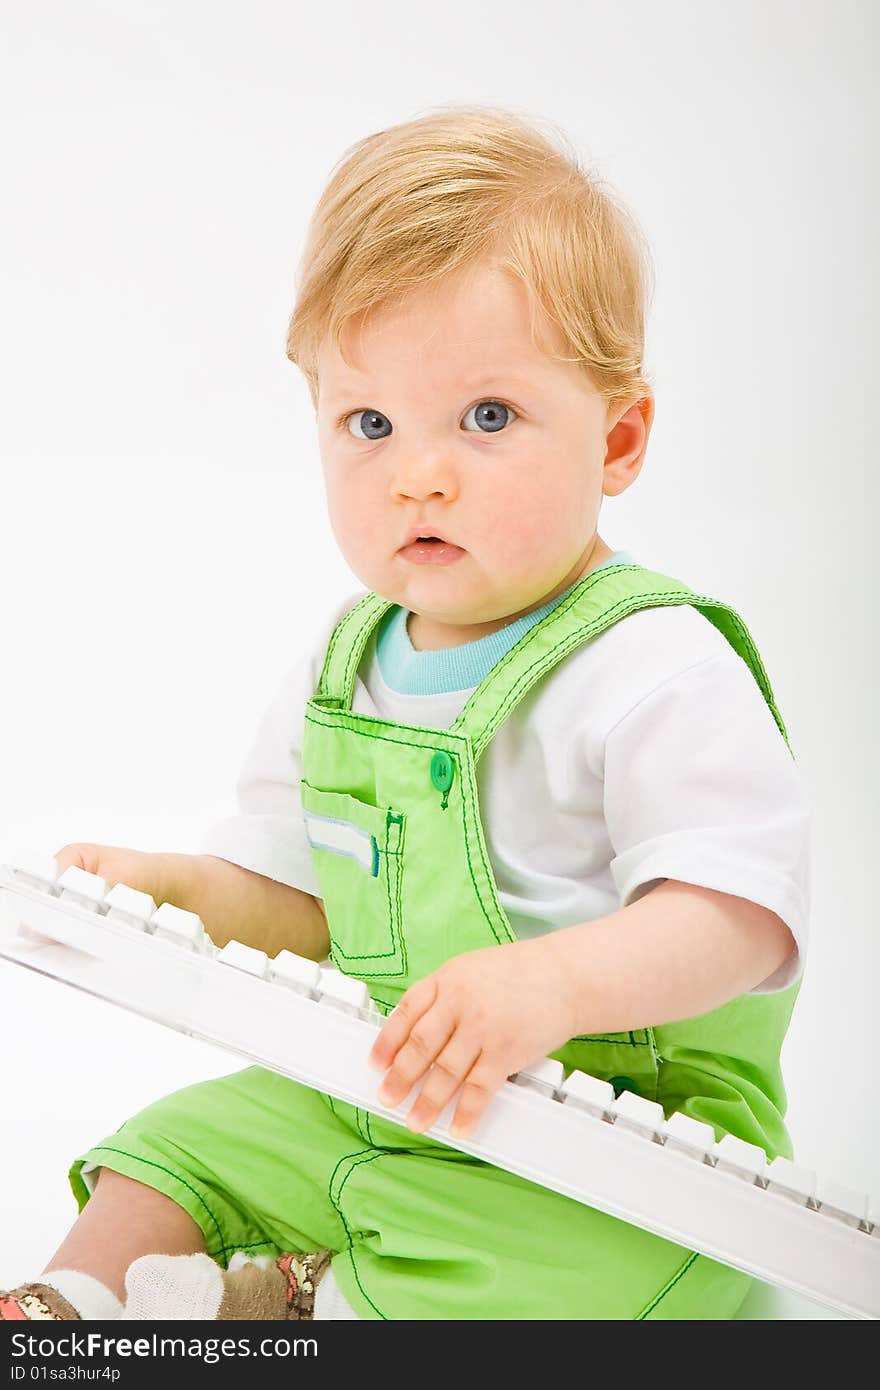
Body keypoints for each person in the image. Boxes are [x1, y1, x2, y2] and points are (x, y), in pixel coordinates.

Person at [1, 105, 810, 1321]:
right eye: (367, 423)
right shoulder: (345, 663)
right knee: (174, 1144)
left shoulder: (654, 667)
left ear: (620, 436)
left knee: (561, 1276)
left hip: (613, 1145)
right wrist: (182, 894)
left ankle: (303, 1301)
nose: (416, 473)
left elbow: (739, 918)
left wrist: (549, 988)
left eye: (486, 418)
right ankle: (75, 1305)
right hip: (378, 1085)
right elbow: (302, 899)